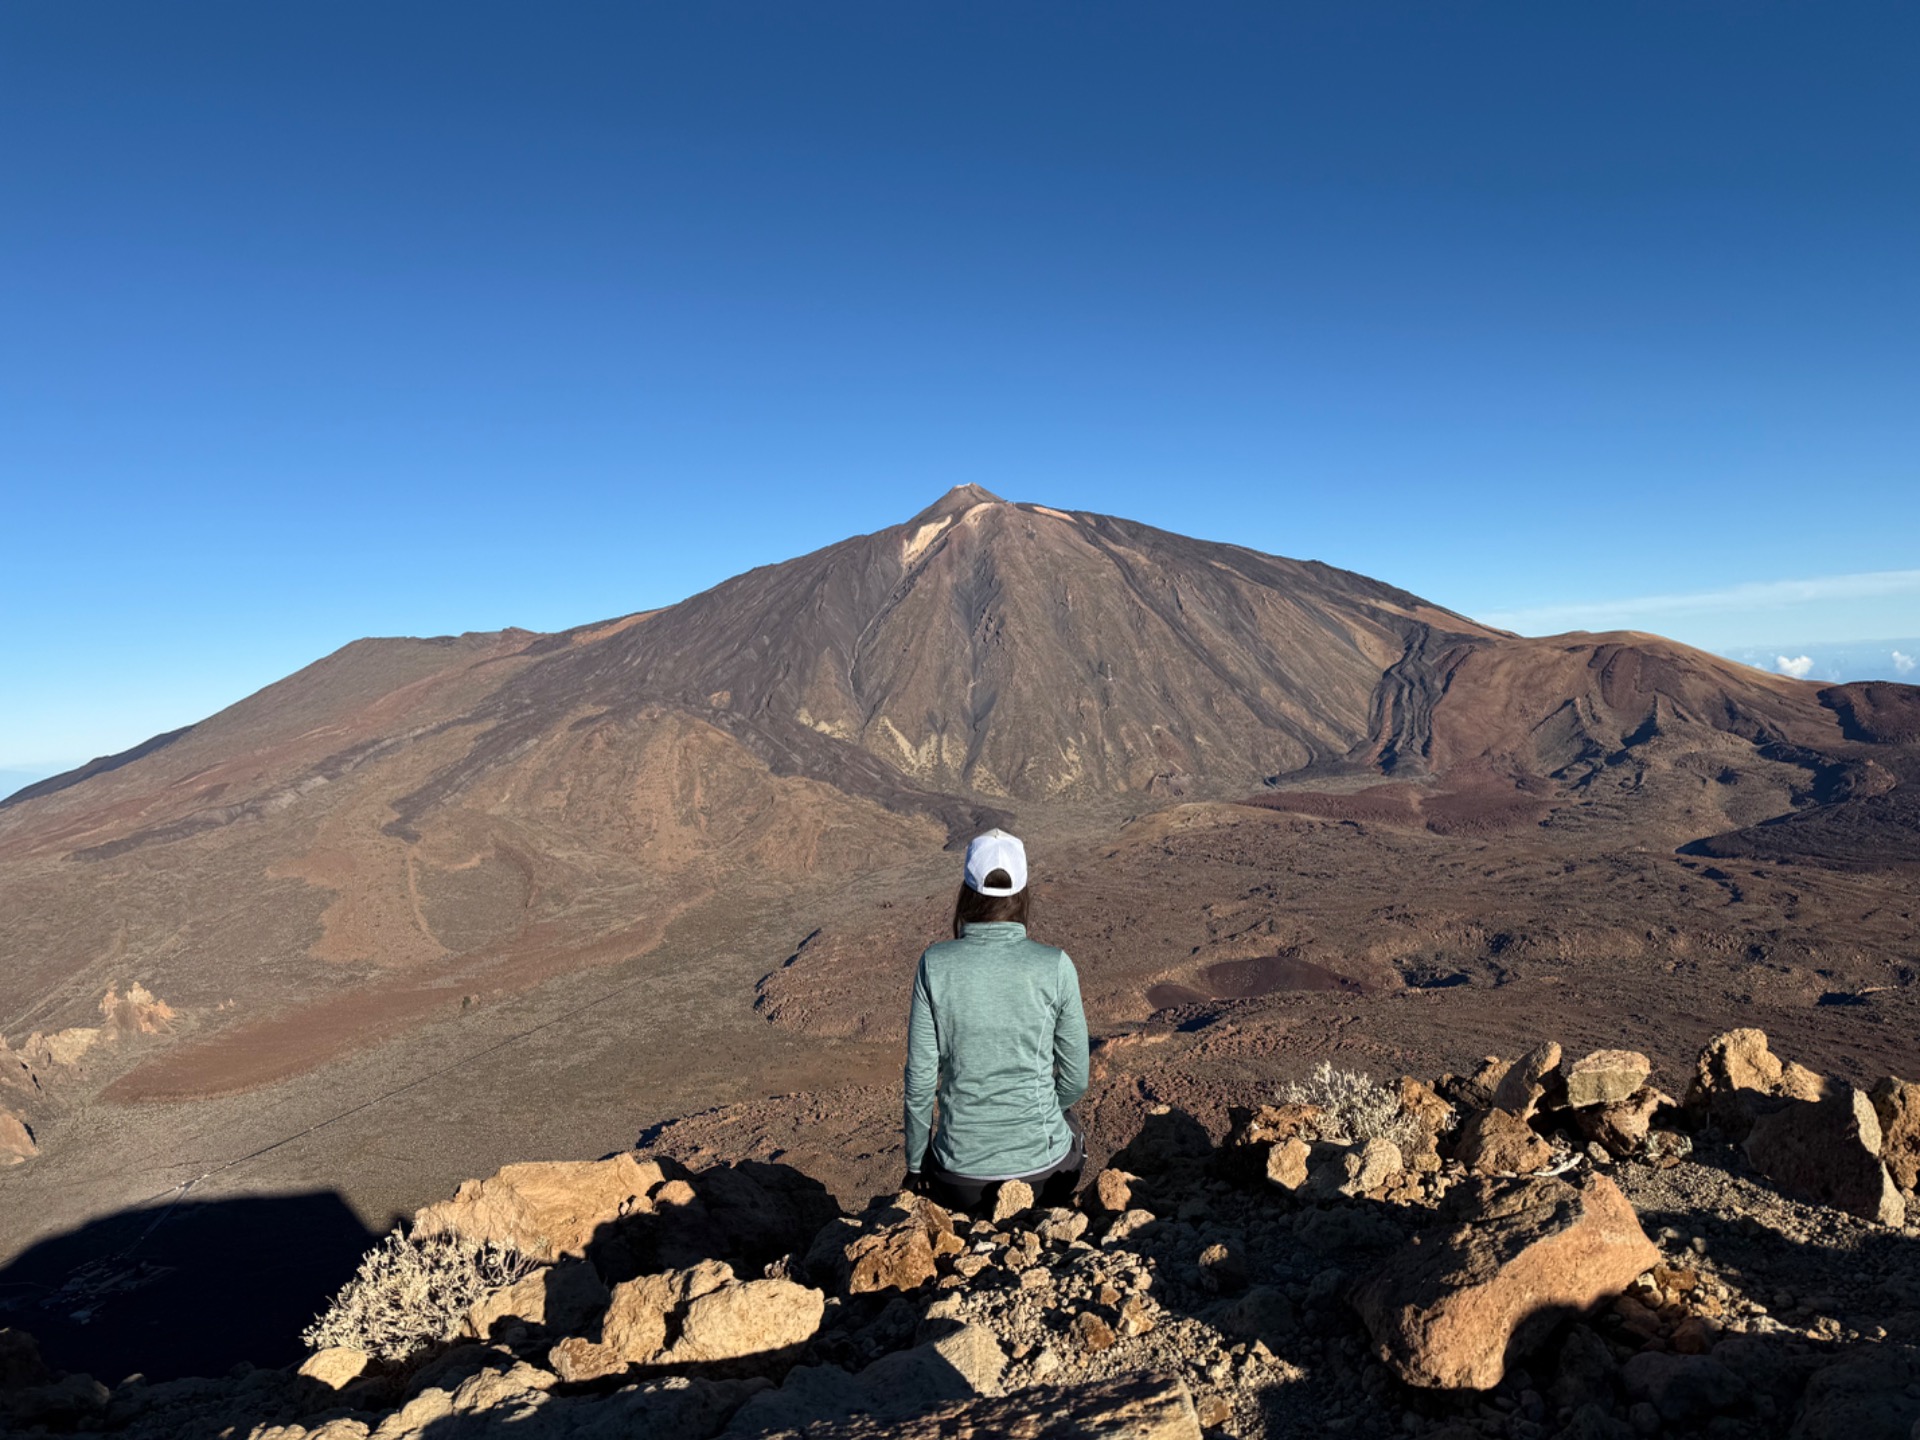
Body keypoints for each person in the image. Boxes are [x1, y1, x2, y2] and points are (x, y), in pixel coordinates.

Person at [901, 828, 1090, 1211]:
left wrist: (916, 1165)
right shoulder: (1055, 966)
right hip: (1044, 1175)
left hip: (958, 1180)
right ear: (1022, 895)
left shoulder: (934, 966)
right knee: (1071, 1126)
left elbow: (920, 1083)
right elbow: (1075, 1079)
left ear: (966, 893)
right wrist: (1039, 1110)